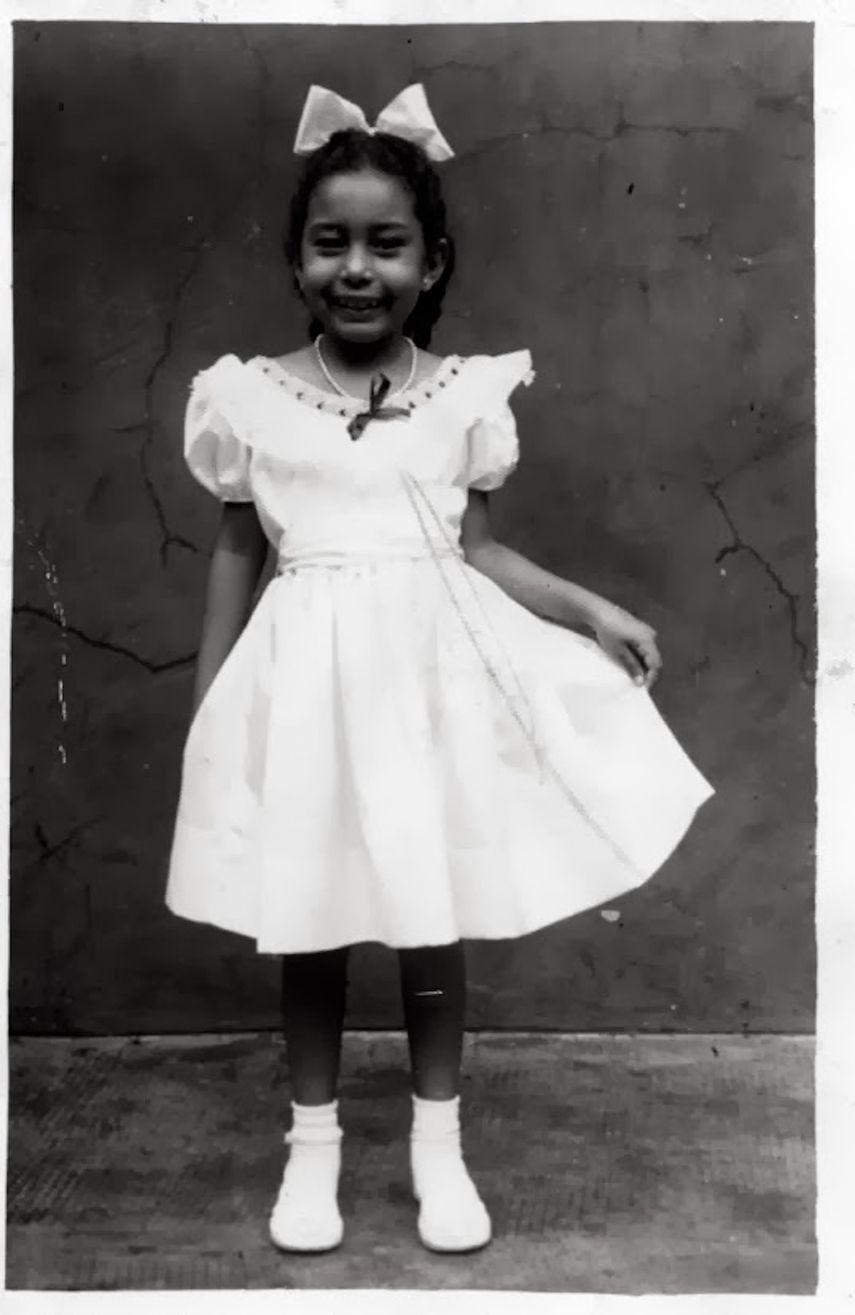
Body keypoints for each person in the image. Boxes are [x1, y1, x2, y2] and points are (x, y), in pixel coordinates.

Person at [165, 84, 713, 1257]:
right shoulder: (250, 398)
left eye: (386, 244)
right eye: (331, 243)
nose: (356, 268)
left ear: (431, 260)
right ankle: (311, 1149)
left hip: (425, 687)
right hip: (304, 688)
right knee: (304, 922)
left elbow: (480, 550)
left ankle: (436, 1144)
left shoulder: (462, 396)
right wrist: (212, 708)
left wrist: (592, 609)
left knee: (428, 918)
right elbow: (235, 552)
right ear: (297, 258)